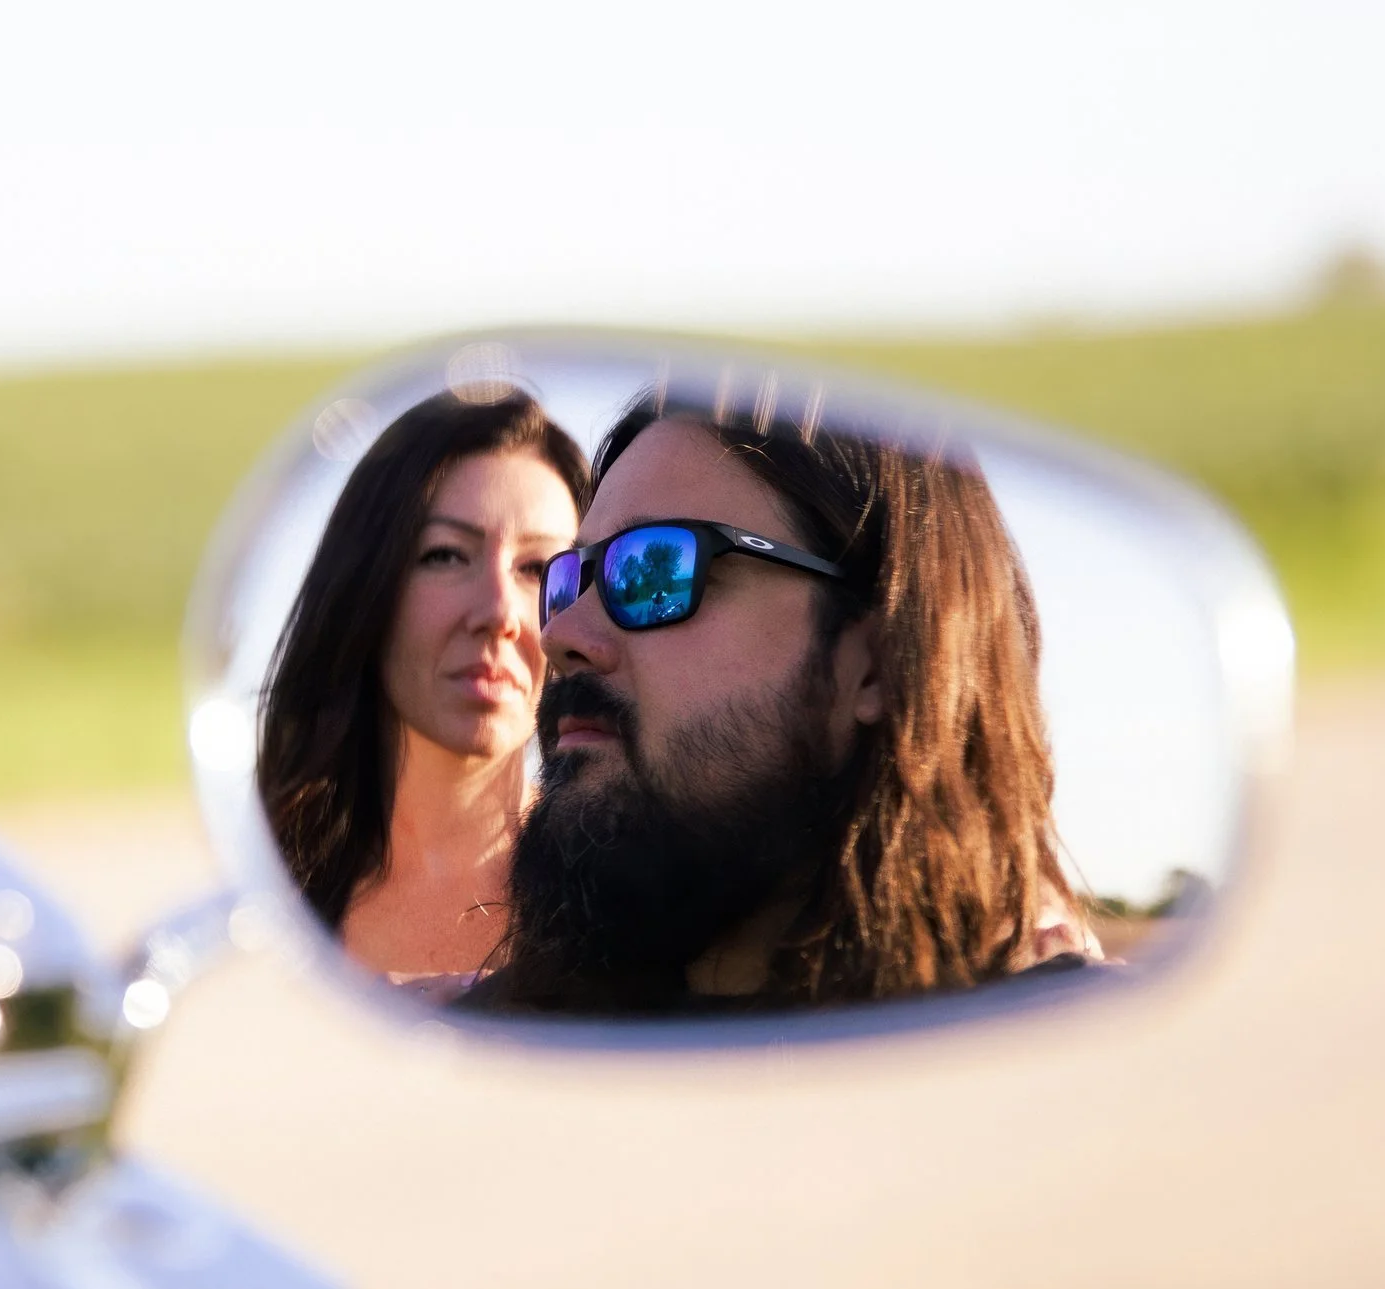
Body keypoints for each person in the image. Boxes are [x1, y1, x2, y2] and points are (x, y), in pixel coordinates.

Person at [464, 385, 1094, 1015]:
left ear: (875, 667)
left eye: (655, 571)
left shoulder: (1065, 1061)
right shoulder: (470, 1057)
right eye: (570, 580)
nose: (559, 634)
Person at [259, 388, 589, 991]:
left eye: (539, 569)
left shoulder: (623, 893)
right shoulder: (265, 893)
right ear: (369, 587)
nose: (498, 612)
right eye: (445, 556)